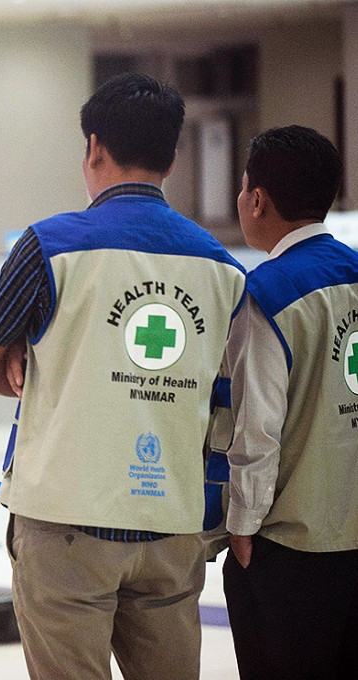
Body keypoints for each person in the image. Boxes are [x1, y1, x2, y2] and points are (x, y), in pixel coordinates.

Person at [0, 72, 246, 680]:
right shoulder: (222, 267)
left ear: (93, 147)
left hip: (65, 526)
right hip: (171, 526)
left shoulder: (49, 246)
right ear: (171, 158)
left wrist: (32, 365)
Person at [220, 125, 358, 679]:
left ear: (257, 200)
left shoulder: (267, 294)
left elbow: (257, 427)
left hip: (292, 551)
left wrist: (242, 527)